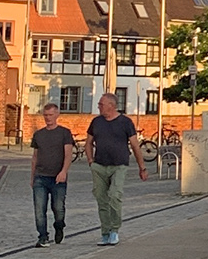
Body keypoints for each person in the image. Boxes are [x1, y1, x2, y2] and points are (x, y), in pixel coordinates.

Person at [85, 91, 146, 244]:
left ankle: (114, 229)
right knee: (101, 199)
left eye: (101, 104)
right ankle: (105, 232)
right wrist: (91, 161)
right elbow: (88, 142)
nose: (99, 107)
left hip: (119, 165)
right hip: (99, 165)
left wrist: (142, 167)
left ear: (111, 106)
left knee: (114, 195)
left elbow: (135, 145)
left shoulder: (125, 122)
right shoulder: (96, 122)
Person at [29, 101, 77, 245]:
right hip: (40, 177)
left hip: (58, 177)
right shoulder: (38, 134)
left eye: (50, 115)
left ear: (57, 115)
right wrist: (32, 176)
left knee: (58, 208)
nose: (48, 118)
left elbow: (68, 155)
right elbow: (35, 157)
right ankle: (43, 236)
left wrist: (64, 171)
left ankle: (59, 225)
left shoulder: (64, 133)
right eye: (45, 115)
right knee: (39, 209)